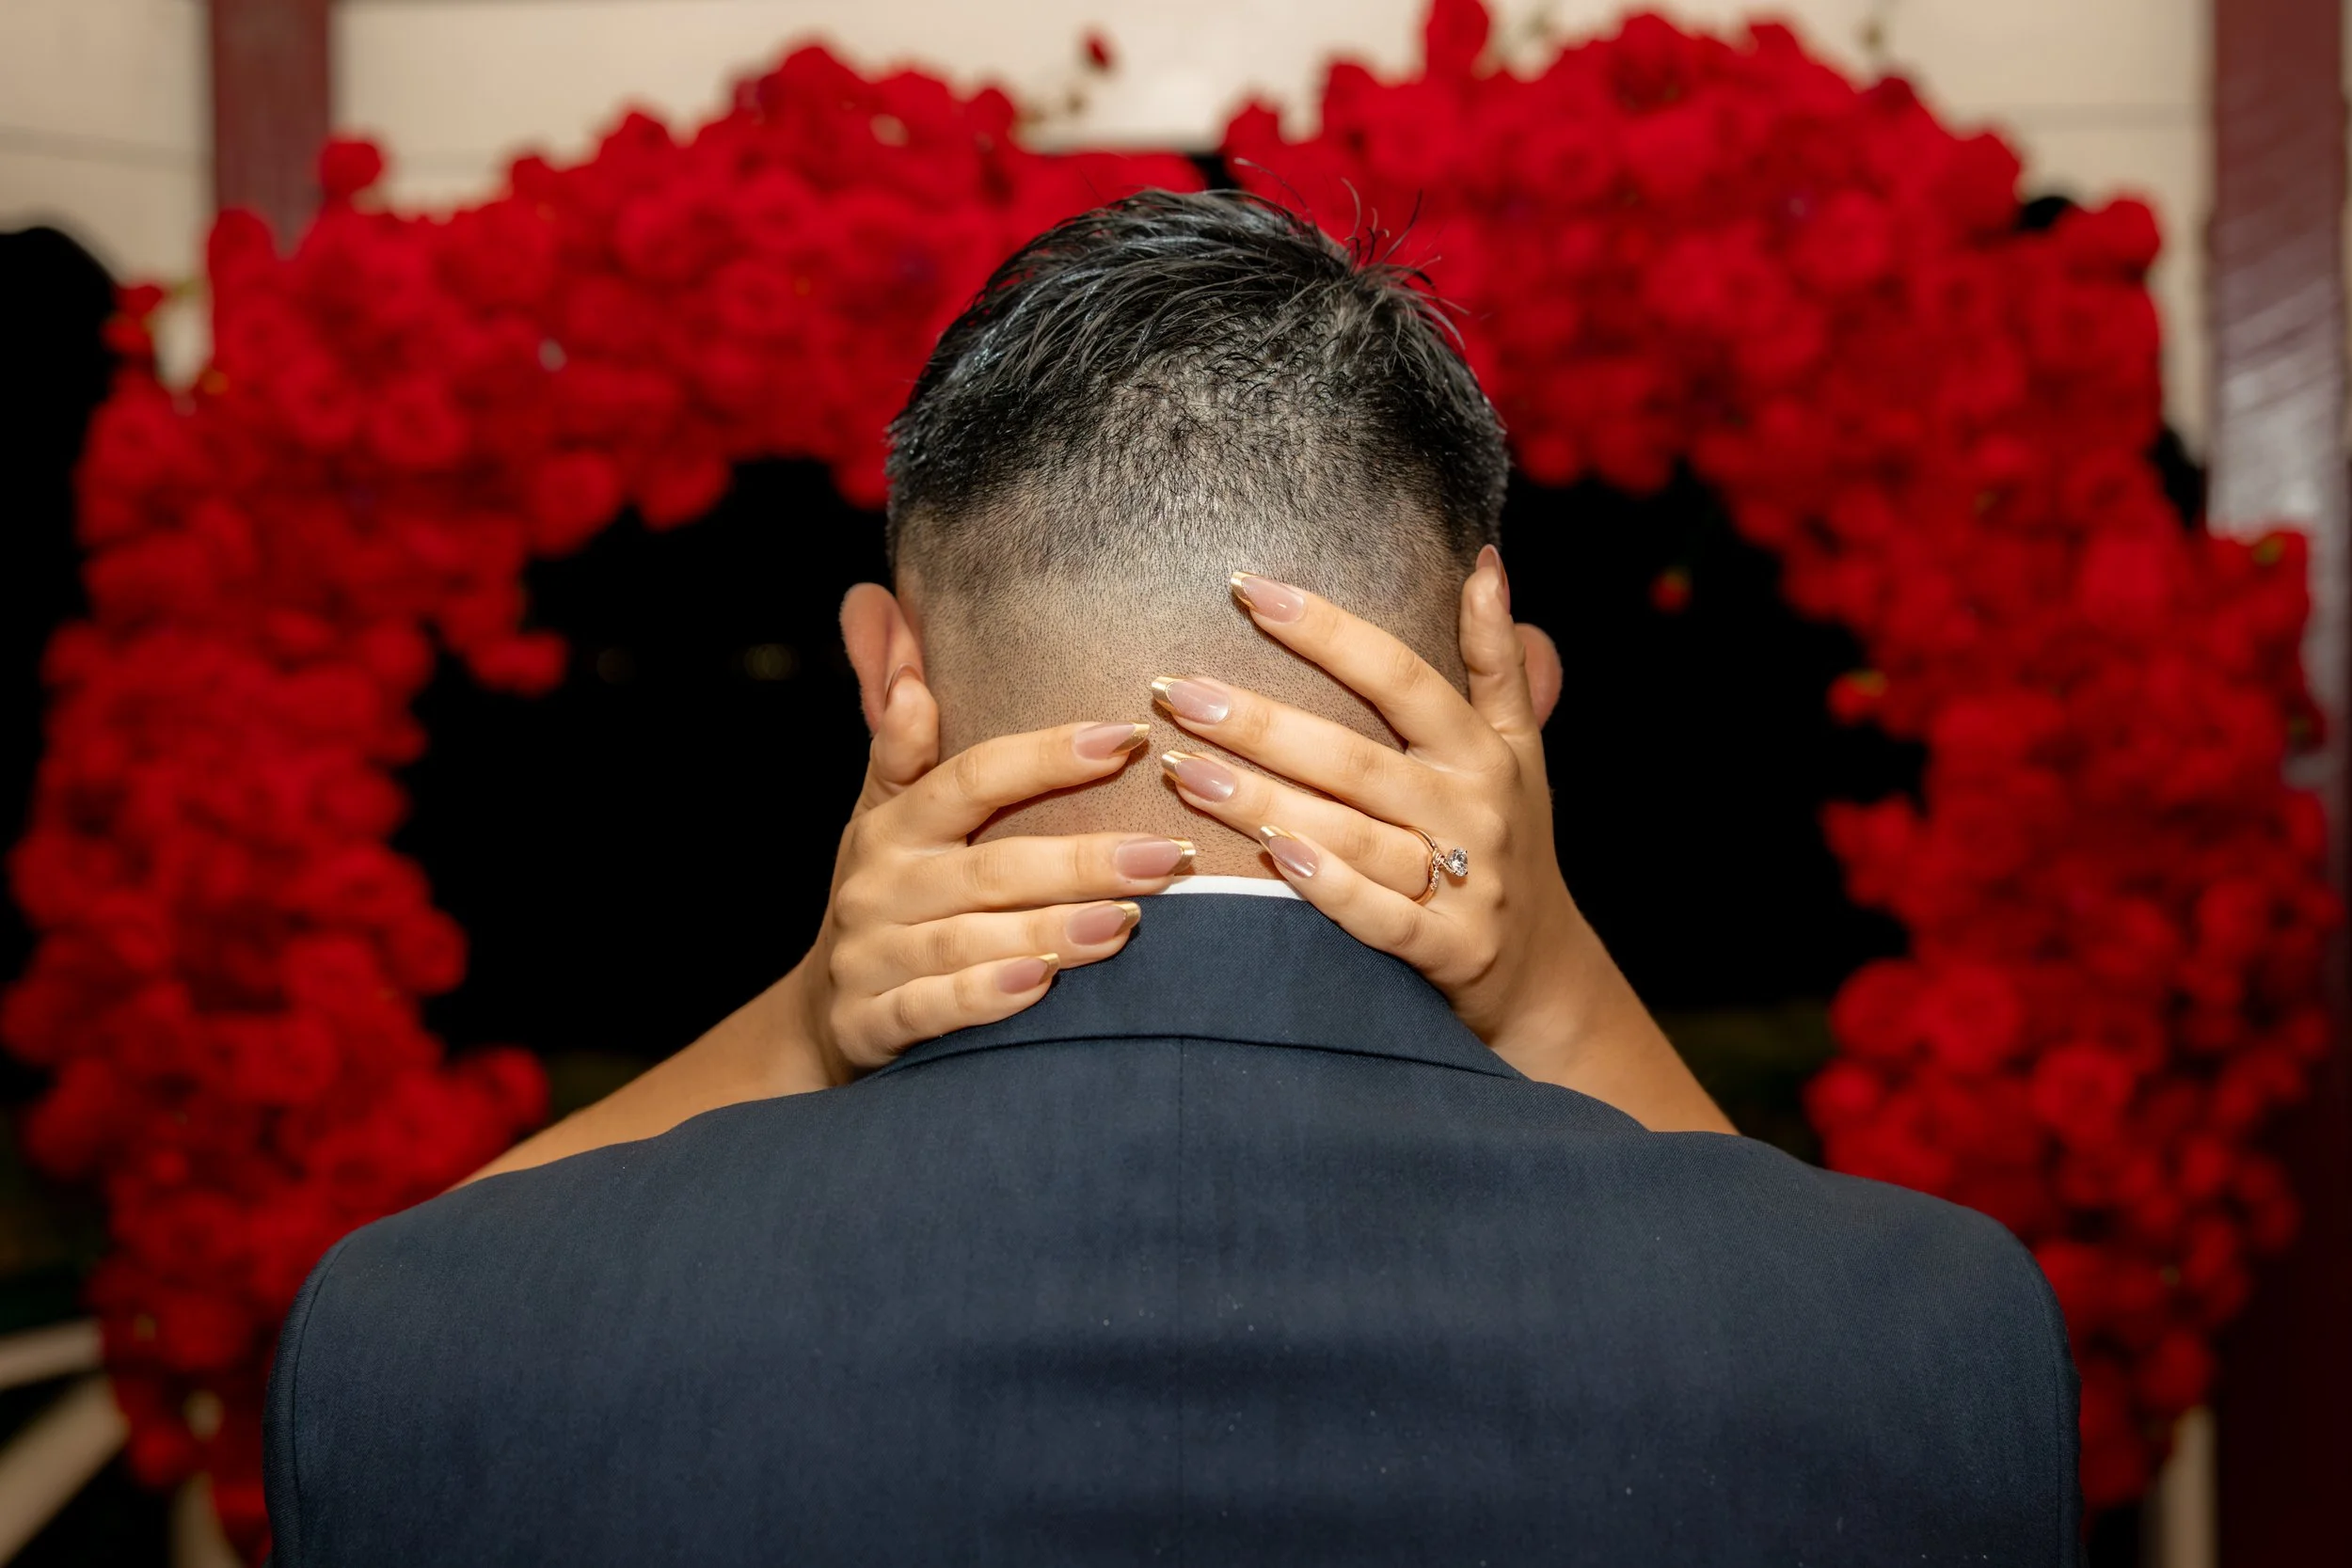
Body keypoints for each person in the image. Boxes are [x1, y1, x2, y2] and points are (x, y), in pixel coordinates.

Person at [262, 192, 2079, 1565]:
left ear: (888, 670)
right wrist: (1554, 989)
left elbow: (426, 1282)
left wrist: (815, 1017)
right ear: (1509, 680)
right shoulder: (1922, 1344)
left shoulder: (439, 1344)